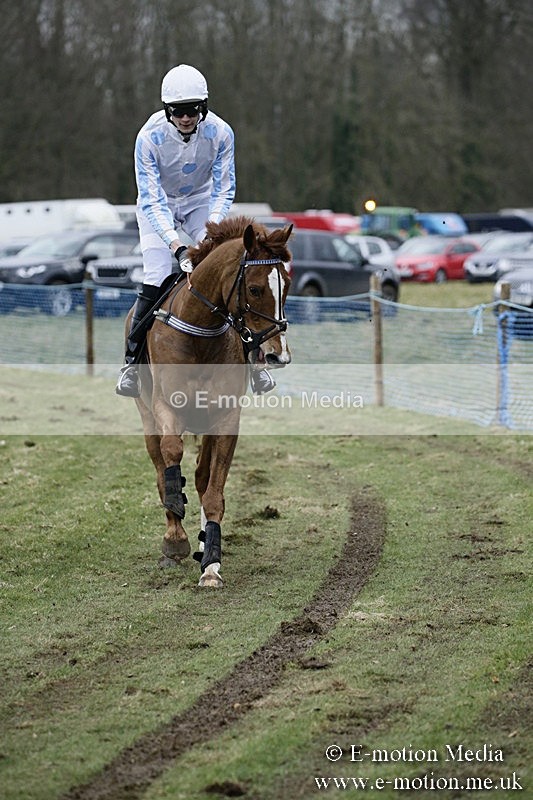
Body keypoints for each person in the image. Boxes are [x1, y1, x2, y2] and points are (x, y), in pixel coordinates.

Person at [116, 64, 277, 398]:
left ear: (203, 108)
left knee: (229, 265)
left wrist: (211, 235)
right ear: (166, 110)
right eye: (177, 111)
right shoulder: (148, 138)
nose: (185, 118)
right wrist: (176, 246)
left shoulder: (221, 133)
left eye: (192, 111)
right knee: (157, 273)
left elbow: (224, 189)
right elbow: (151, 199)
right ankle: (131, 364)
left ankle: (254, 361)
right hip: (156, 205)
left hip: (201, 203)